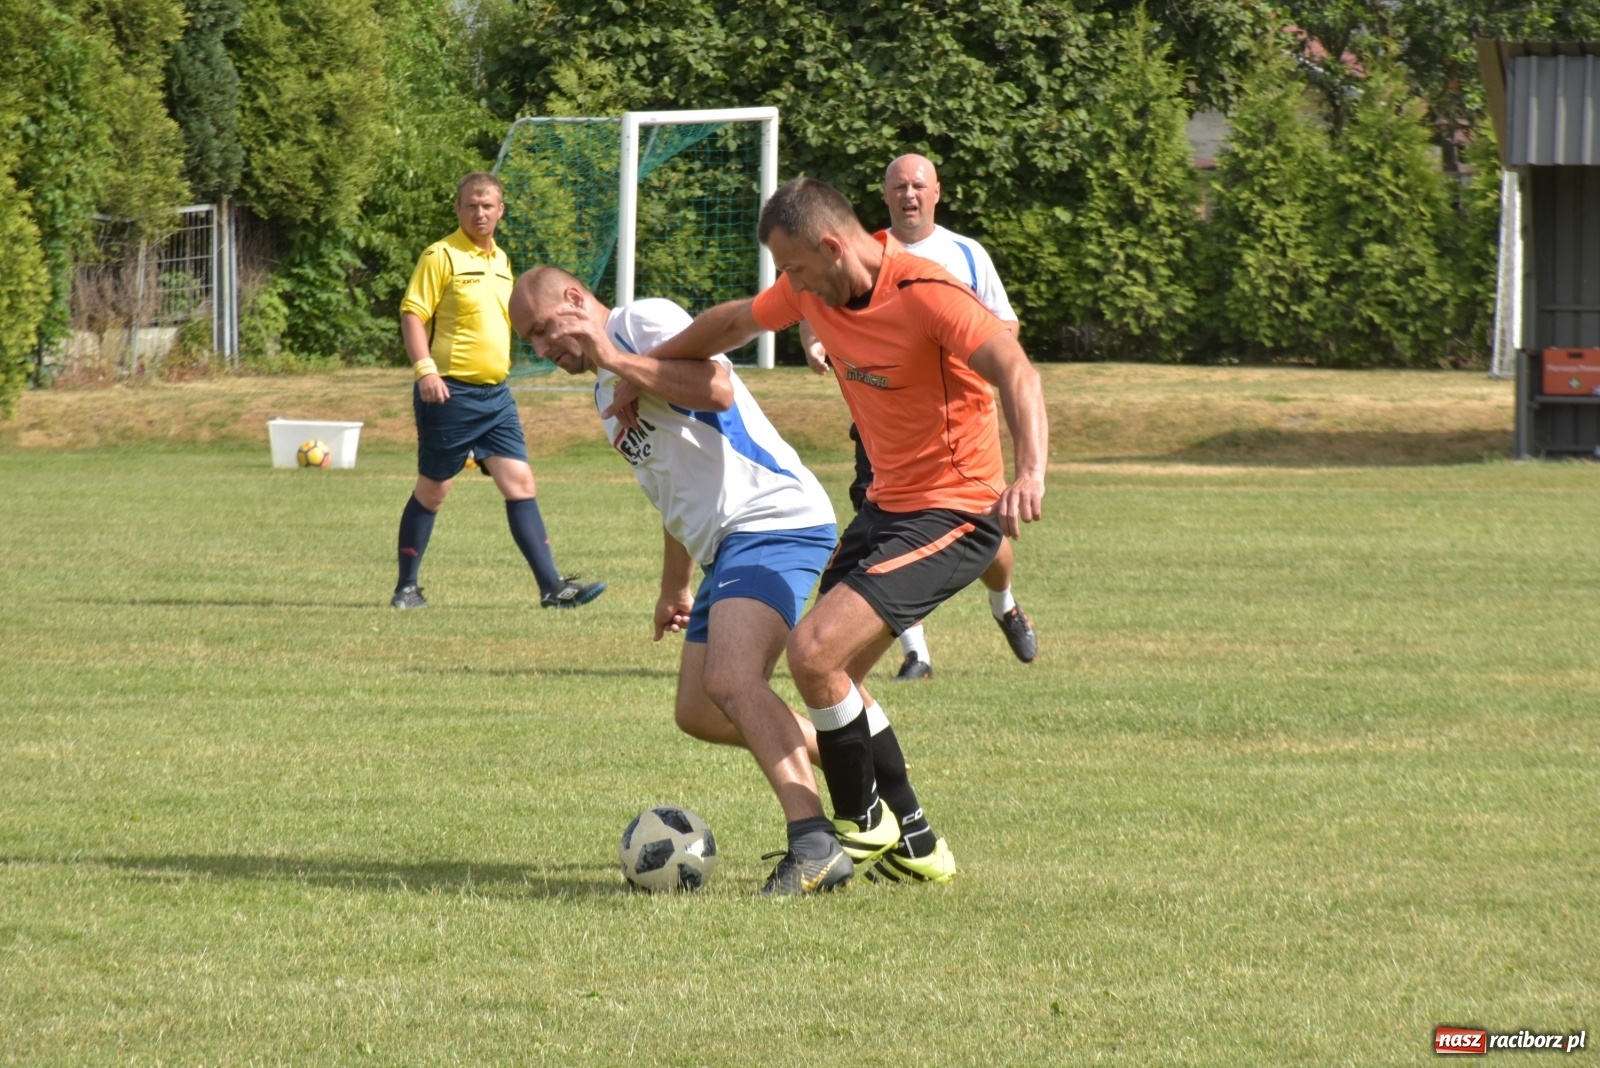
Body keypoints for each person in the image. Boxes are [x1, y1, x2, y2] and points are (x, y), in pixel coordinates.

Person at [645, 177, 1049, 885]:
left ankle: (854, 828)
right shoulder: (812, 289)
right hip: (884, 510)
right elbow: (734, 322)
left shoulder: (926, 292)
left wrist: (1031, 472)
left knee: (813, 653)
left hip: (956, 508)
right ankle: (917, 840)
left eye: (795, 267)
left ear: (832, 246)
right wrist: (651, 369)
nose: (789, 286)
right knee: (843, 680)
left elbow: (1016, 370)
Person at [507, 266, 885, 895]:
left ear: (575, 300)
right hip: (722, 547)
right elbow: (673, 492)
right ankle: (861, 760)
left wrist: (621, 361)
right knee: (699, 711)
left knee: (732, 681)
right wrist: (673, 587)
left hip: (773, 518)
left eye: (544, 330)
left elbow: (717, 388)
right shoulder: (605, 394)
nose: (543, 350)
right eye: (531, 342)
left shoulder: (638, 322)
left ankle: (815, 841)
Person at [801, 154, 1036, 681]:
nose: (909, 194)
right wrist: (815, 345)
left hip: (956, 433)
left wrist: (950, 360)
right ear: (885, 196)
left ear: (937, 193)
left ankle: (1004, 605)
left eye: (918, 186)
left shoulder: (966, 254)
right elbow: (812, 310)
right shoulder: (862, 254)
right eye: (899, 186)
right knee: (888, 537)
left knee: (991, 537)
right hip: (883, 431)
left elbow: (1005, 335)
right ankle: (916, 653)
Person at [390, 173, 604, 611]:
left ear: (501, 210)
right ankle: (406, 589)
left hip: (497, 396)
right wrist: (425, 370)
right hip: (449, 393)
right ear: (458, 209)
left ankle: (552, 588)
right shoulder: (441, 256)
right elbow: (413, 314)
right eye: (471, 205)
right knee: (435, 491)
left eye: (488, 206)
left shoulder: (502, 262)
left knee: (520, 483)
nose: (480, 213)